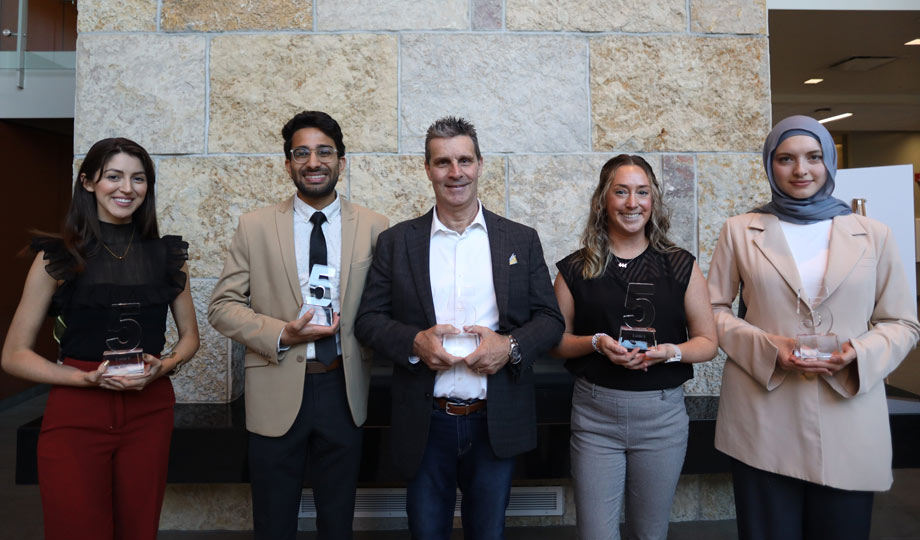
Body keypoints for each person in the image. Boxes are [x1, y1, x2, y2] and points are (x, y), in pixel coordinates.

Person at [707, 115, 920, 540]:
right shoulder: (739, 230)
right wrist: (767, 347)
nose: (801, 170)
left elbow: (903, 322)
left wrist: (857, 354)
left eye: (814, 157)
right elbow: (712, 310)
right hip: (762, 415)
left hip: (849, 413)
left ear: (830, 164)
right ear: (770, 165)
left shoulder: (873, 234)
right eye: (786, 159)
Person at [355, 116, 564, 539]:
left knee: (487, 533)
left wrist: (508, 346)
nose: (455, 172)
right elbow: (368, 320)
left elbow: (550, 320)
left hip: (495, 421)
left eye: (465, 160)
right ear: (428, 169)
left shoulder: (519, 240)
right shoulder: (398, 242)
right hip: (425, 422)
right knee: (426, 532)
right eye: (443, 162)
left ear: (480, 164)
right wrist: (415, 341)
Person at [1, 137, 199, 540]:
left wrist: (166, 365)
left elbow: (190, 338)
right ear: (89, 181)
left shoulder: (166, 256)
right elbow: (14, 355)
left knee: (138, 528)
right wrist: (84, 379)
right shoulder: (56, 256)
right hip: (76, 409)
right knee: (76, 528)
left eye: (138, 179)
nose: (127, 188)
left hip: (149, 408)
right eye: (114, 176)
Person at [208, 110, 388, 540]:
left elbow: (386, 306)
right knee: (273, 520)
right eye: (301, 153)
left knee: (338, 518)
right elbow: (222, 306)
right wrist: (281, 334)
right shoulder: (254, 227)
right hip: (275, 386)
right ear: (288, 163)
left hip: (344, 390)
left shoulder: (376, 227)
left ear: (342, 162)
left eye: (324, 151)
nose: (313, 162)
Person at [550, 154, 717, 540]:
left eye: (642, 192)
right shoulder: (575, 269)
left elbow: (708, 343)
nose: (632, 202)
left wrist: (669, 352)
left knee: (650, 533)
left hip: (661, 417)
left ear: (653, 200)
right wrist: (596, 343)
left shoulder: (680, 266)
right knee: (595, 534)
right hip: (595, 417)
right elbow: (556, 343)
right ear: (603, 201)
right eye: (621, 192)